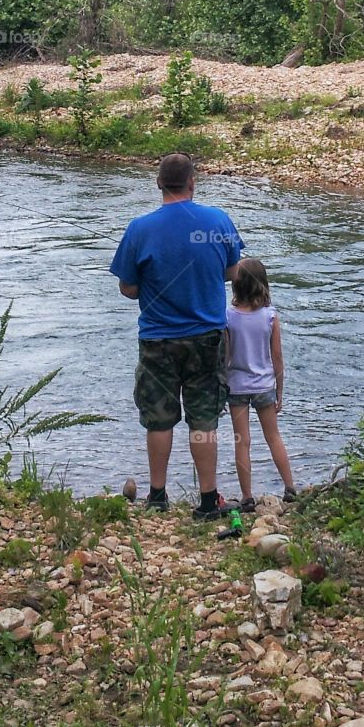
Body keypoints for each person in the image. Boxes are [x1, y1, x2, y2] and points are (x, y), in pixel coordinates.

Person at [110, 152, 244, 519]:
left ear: (158, 184)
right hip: (207, 338)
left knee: (159, 418)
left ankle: (157, 496)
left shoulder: (139, 228)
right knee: (203, 418)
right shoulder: (218, 221)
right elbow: (233, 271)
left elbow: (128, 289)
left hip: (157, 339)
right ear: (192, 182)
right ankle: (207, 500)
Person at [225, 258, 296, 512]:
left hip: (237, 387)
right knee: (273, 437)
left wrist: (221, 385)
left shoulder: (228, 317)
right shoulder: (270, 316)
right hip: (264, 385)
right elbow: (277, 358)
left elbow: (226, 357)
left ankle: (246, 496)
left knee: (242, 442)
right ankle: (289, 488)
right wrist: (279, 391)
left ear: (236, 286)